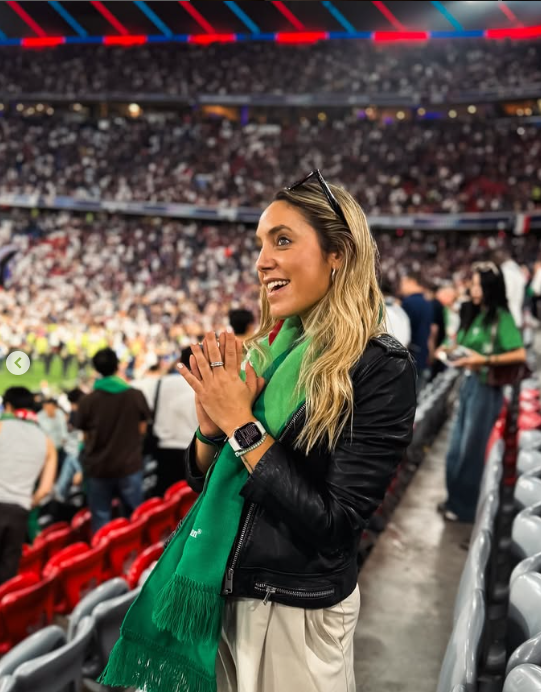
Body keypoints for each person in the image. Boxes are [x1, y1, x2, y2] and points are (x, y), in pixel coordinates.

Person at [101, 170, 417, 692]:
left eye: (283, 241)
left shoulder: (379, 366)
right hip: (225, 599)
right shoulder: (268, 352)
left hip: (295, 614)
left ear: (338, 254)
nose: (261, 261)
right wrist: (210, 431)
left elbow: (335, 523)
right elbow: (207, 483)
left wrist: (241, 425)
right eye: (261, 244)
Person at [437, 262, 526, 523]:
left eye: (478, 285)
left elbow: (519, 353)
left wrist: (485, 360)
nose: (473, 290)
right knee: (456, 448)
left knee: (472, 450)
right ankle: (454, 499)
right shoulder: (475, 313)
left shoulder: (501, 317)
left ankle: (465, 508)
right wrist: (450, 352)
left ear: (490, 287)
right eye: (472, 284)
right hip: (469, 383)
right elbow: (464, 344)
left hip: (486, 389)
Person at [75, 347, 151, 533]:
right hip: (129, 466)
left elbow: (84, 436)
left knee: (101, 521)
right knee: (134, 519)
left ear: (96, 369)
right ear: (117, 366)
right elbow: (142, 429)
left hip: (98, 468)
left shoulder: (87, 401)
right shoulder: (135, 395)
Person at [0, 387, 57, 583]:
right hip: (20, 511)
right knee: (7, 574)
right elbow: (45, 489)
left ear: (8, 406)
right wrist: (27, 501)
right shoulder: (46, 441)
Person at [400, 270, 434, 386]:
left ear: (411, 282)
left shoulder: (408, 302)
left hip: (410, 357)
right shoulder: (427, 302)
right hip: (423, 355)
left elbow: (403, 334)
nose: (401, 287)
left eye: (403, 283)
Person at [54, 388, 85, 501]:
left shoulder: (84, 414)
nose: (72, 407)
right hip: (74, 453)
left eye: (72, 404)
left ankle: (60, 495)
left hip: (79, 454)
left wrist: (81, 472)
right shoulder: (74, 414)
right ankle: (60, 495)